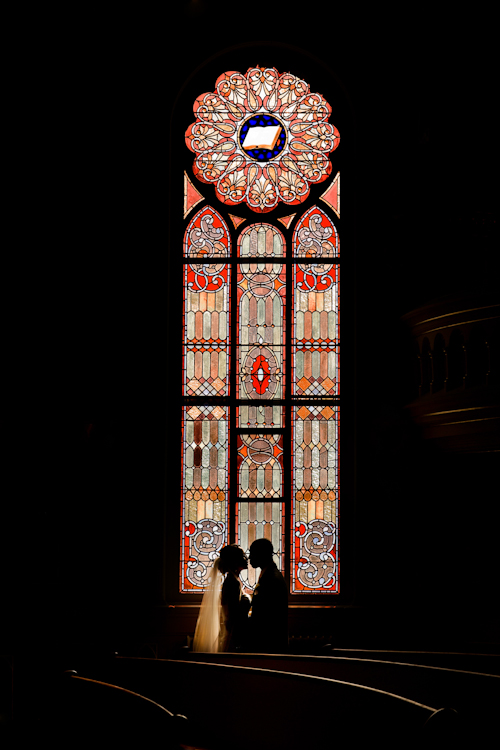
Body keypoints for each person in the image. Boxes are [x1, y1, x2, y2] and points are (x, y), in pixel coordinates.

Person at [193, 544, 250, 652]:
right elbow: (232, 615)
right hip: (234, 634)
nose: (246, 559)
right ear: (234, 561)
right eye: (242, 556)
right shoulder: (232, 582)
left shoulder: (232, 580)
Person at [248, 538, 288, 653]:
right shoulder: (268, 574)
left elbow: (266, 616)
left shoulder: (272, 579)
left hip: (269, 644)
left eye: (252, 554)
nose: (250, 558)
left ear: (261, 554)